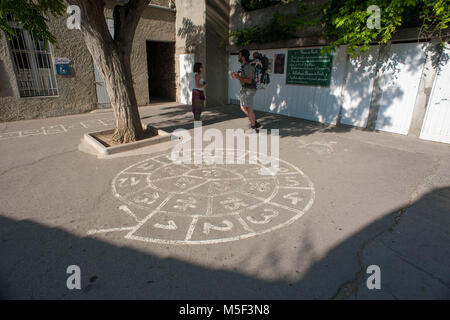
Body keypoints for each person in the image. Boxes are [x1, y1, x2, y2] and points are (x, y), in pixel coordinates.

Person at [231, 49, 261, 133]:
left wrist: (238, 77)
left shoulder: (248, 66)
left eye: (239, 55)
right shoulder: (244, 66)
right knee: (243, 107)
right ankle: (254, 122)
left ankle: (253, 128)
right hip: (245, 89)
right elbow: (243, 77)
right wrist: (236, 75)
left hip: (249, 89)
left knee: (249, 108)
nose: (238, 57)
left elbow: (249, 80)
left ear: (243, 57)